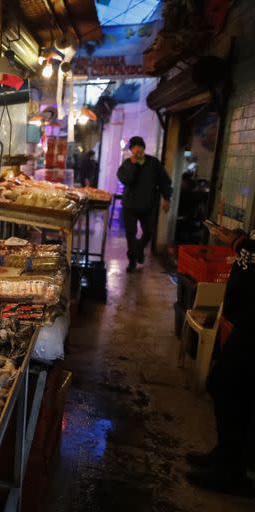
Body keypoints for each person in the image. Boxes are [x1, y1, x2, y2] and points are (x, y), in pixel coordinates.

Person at [185, 223, 255, 495]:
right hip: (247, 315)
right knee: (229, 386)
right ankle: (227, 456)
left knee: (226, 384)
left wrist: (238, 244)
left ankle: (231, 471)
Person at [116, 136, 172, 273]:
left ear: (143, 148)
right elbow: (127, 180)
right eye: (134, 147)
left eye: (140, 146)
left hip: (148, 204)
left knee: (149, 232)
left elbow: (164, 180)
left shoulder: (153, 163)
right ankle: (132, 261)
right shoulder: (127, 165)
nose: (137, 149)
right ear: (131, 150)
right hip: (130, 204)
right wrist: (134, 165)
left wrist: (167, 198)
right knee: (131, 233)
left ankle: (139, 249)